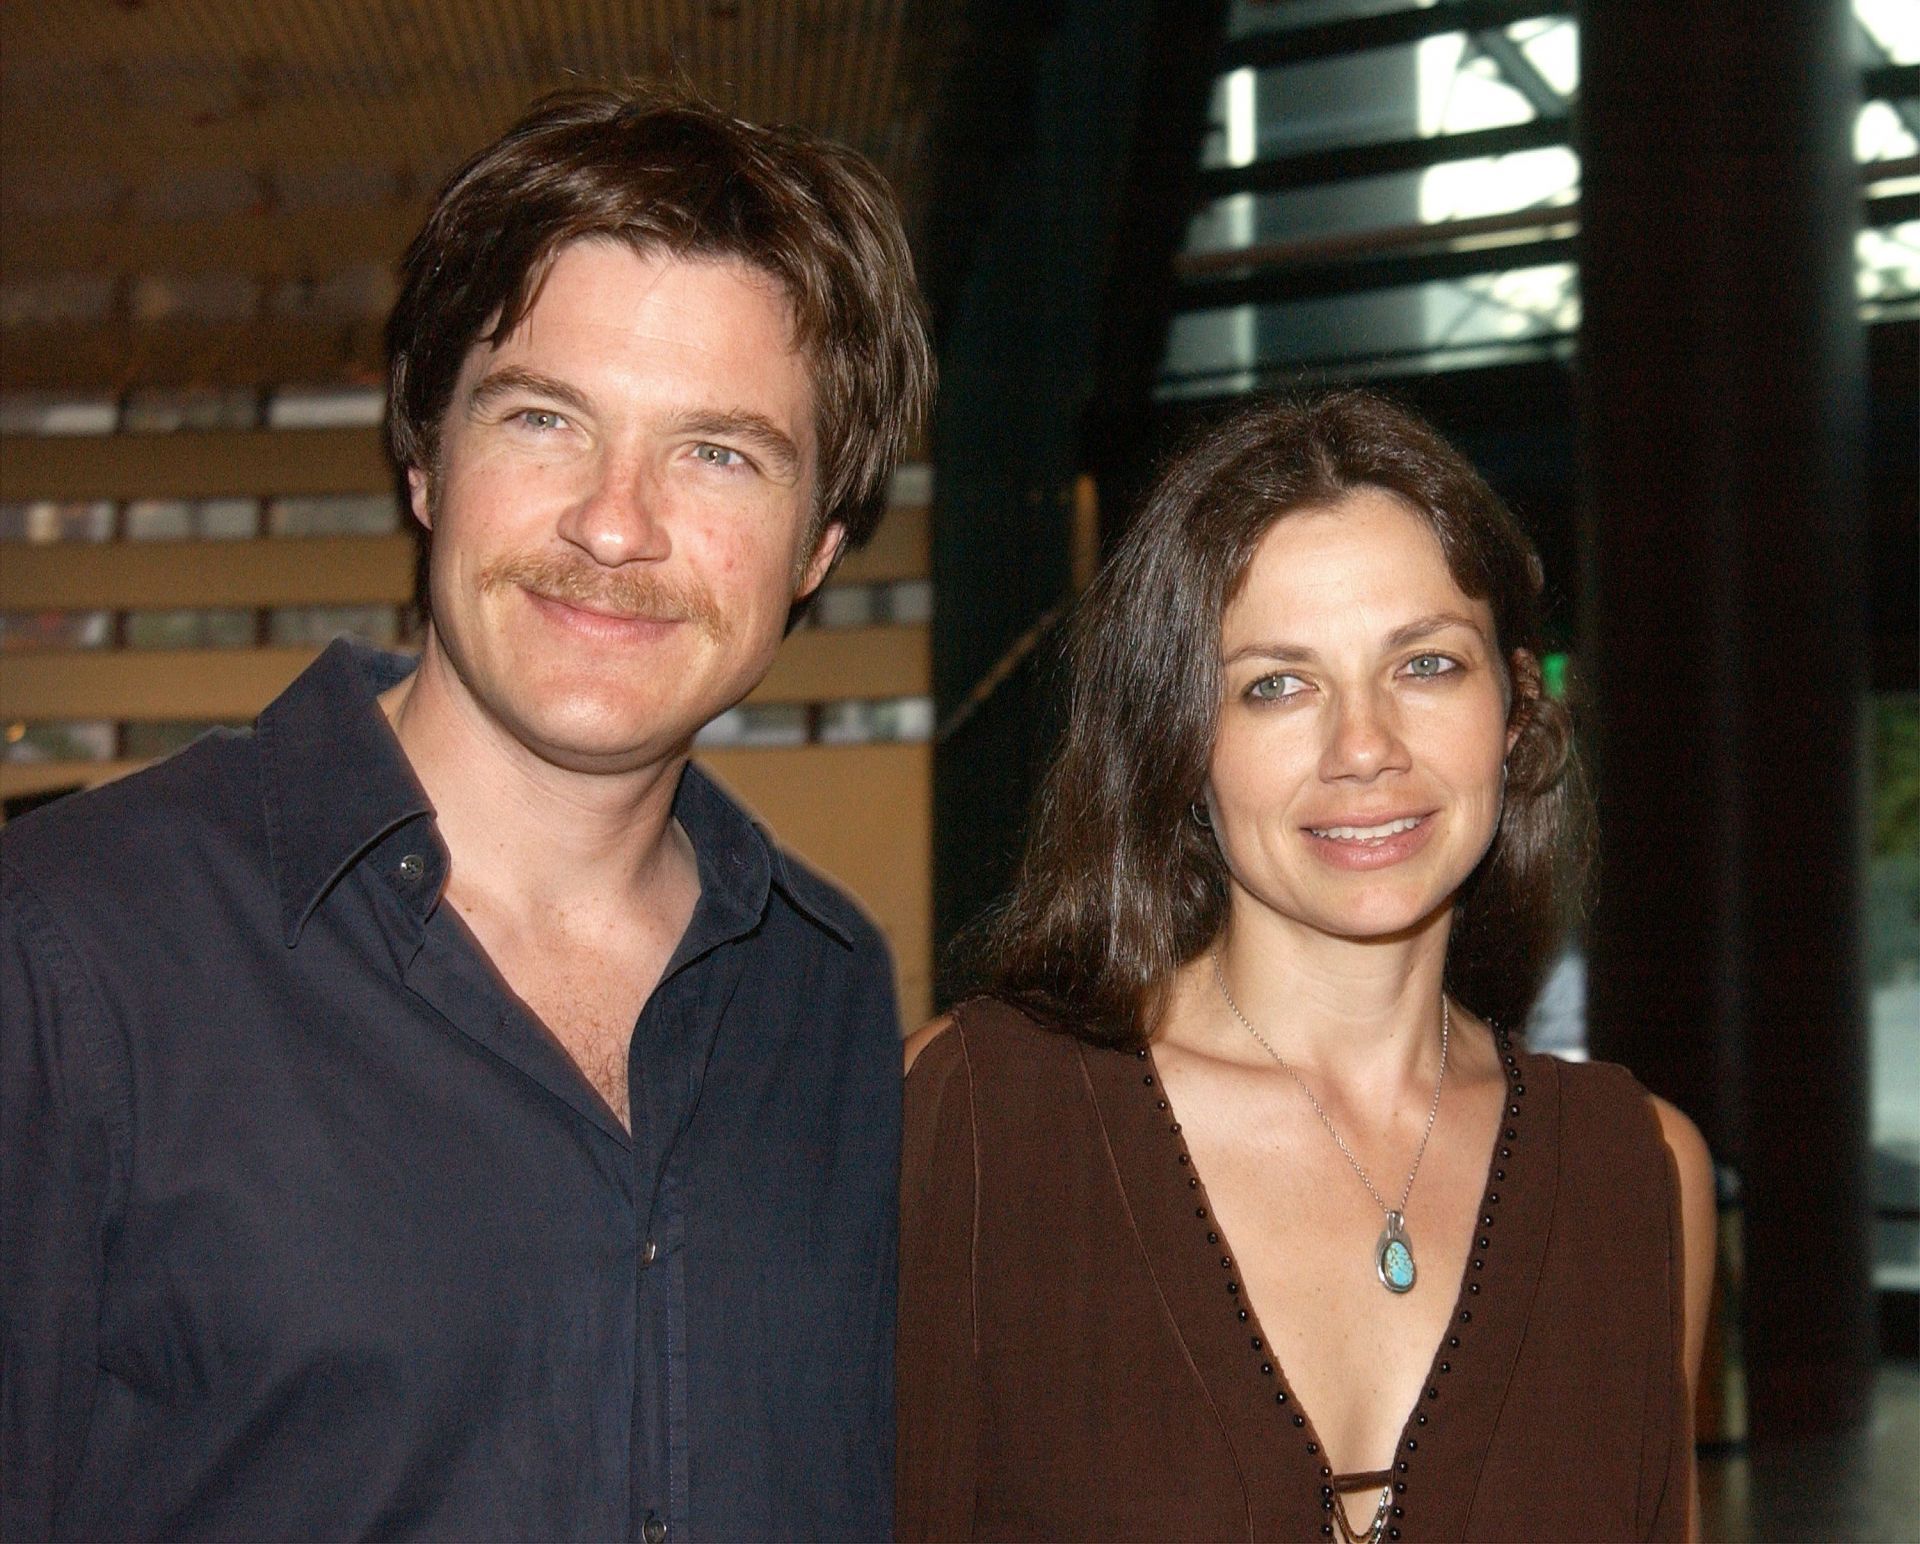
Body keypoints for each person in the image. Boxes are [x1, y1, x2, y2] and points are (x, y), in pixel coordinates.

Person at [2, 87, 932, 1541]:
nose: (615, 524)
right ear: (427, 463)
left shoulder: (824, 999)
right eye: (547, 419)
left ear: (815, 548)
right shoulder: (69, 954)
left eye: (718, 454)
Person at [897, 391, 1715, 1542]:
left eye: (1425, 664)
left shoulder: (1641, 1175)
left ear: (1518, 710)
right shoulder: (980, 1116)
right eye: (1276, 683)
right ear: (1180, 745)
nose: (1365, 747)